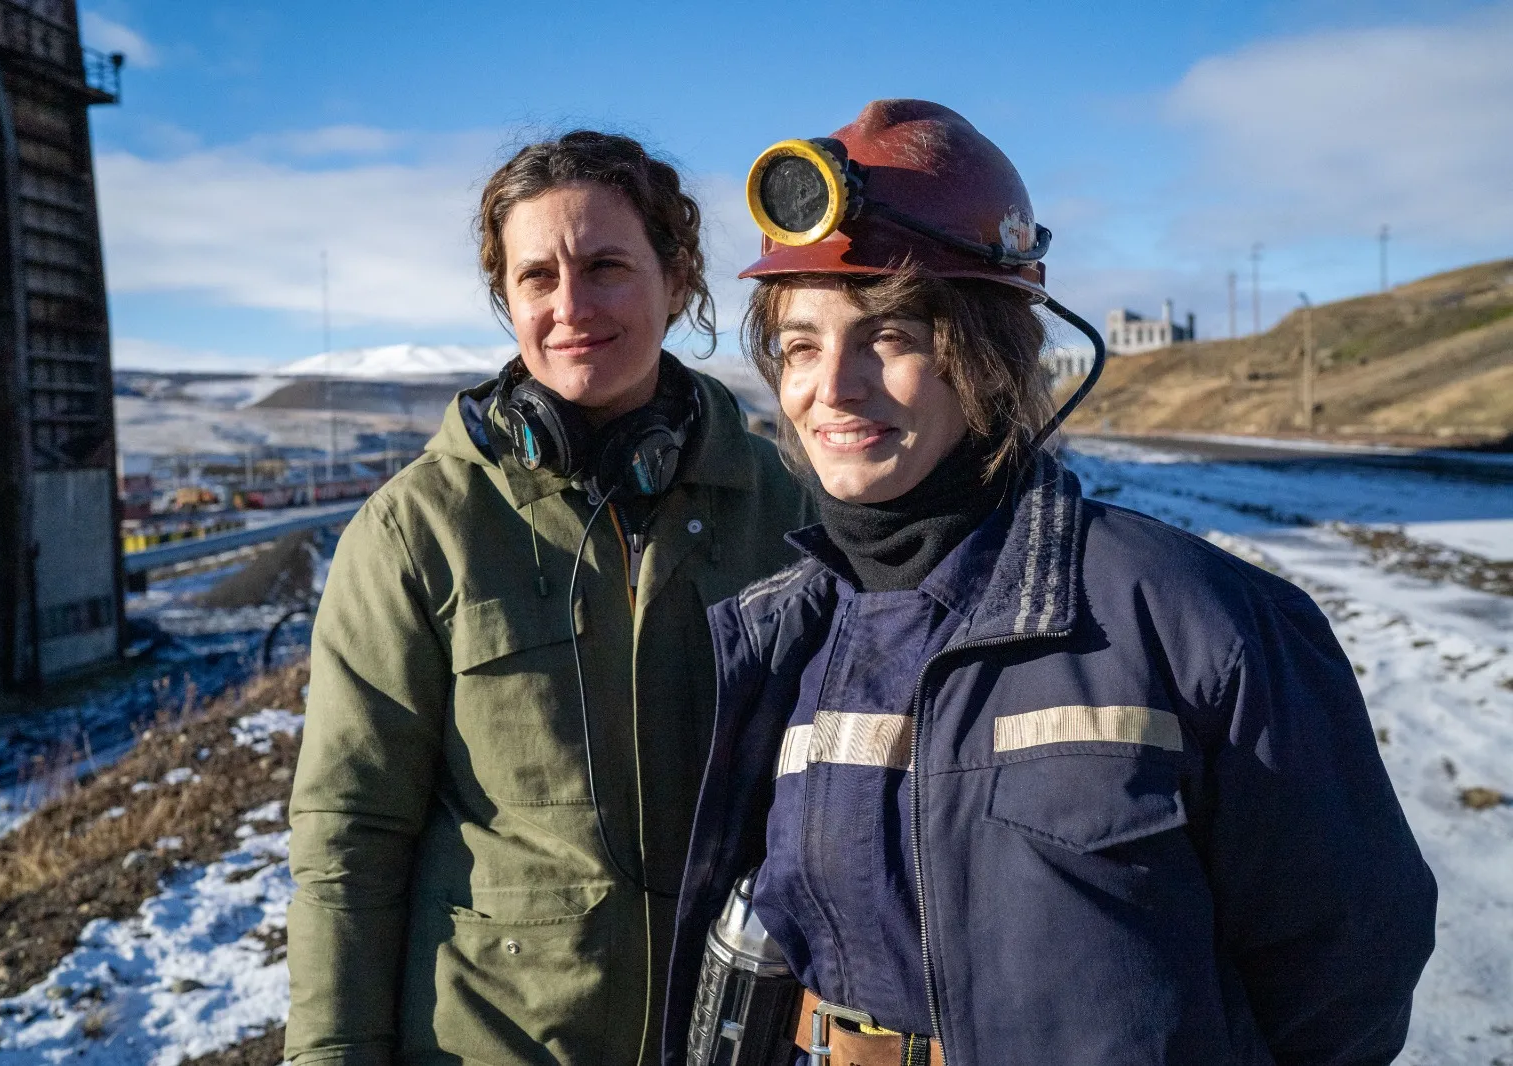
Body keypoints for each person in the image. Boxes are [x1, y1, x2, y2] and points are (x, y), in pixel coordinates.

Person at [663, 100, 1436, 1066]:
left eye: (891, 335)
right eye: (802, 344)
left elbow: (1344, 979)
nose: (834, 386)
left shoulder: (1192, 623)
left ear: (989, 352)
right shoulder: (787, 640)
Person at [286, 130, 813, 1066]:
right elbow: (348, 840)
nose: (570, 307)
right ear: (507, 300)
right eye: (537, 278)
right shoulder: (421, 530)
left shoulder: (784, 510)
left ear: (679, 277)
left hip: (733, 1037)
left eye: (606, 266)